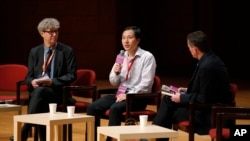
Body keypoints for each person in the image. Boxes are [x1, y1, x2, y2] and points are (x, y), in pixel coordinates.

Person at [153, 30, 233, 141]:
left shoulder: (207, 66)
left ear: (195, 48)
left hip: (208, 114)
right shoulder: (210, 58)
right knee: (167, 101)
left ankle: (153, 134)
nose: (189, 50)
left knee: (167, 110)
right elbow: (208, 88)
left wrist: (181, 97)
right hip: (206, 107)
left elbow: (204, 98)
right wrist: (186, 90)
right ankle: (154, 133)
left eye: (189, 48)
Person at [87, 26, 157, 141]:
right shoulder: (121, 56)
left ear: (138, 40)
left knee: (115, 108)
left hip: (137, 97)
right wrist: (116, 73)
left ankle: (110, 140)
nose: (126, 41)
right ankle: (92, 138)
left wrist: (128, 95)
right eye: (123, 38)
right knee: (92, 107)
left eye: (130, 37)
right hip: (120, 94)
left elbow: (146, 84)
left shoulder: (147, 57)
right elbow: (113, 82)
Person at [21, 17, 77, 141]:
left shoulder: (66, 51)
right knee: (40, 97)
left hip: (58, 92)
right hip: (39, 93)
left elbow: (72, 75)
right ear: (42, 33)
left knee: (39, 94)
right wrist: (32, 82)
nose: (54, 34)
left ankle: (25, 129)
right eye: (50, 32)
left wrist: (52, 81)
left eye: (56, 31)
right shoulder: (35, 52)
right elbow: (29, 76)